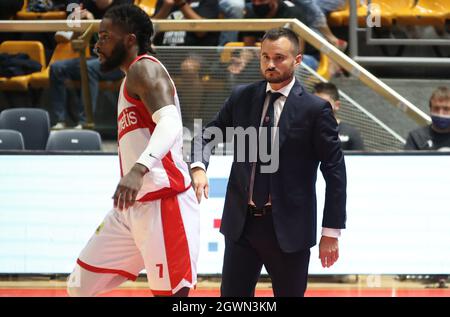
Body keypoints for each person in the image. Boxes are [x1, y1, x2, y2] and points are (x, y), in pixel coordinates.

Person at [191, 27, 347, 297]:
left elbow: (335, 172)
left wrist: (331, 231)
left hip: (289, 228)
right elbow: (206, 135)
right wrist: (198, 167)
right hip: (242, 225)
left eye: (279, 57)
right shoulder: (242, 97)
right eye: (265, 57)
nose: (271, 64)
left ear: (297, 60)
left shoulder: (315, 109)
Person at [66, 4, 200, 297]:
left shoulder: (145, 68)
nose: (97, 44)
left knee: (172, 297)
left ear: (129, 39)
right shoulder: (130, 78)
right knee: (78, 285)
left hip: (165, 203)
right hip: (130, 207)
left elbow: (171, 123)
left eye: (105, 36)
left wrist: (138, 169)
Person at [50, 0, 128, 129]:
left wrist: (93, 22)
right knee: (57, 68)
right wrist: (77, 24)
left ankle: (85, 122)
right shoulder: (87, 5)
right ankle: (60, 120)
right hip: (94, 59)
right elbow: (75, 41)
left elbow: (118, 43)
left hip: (116, 61)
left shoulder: (122, 7)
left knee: (88, 67)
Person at [314, 82, 365, 151]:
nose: (318, 106)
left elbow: (359, 160)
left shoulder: (350, 133)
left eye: (324, 103)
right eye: (314, 102)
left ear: (337, 105)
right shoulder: (304, 131)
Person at [405, 86, 450, 151]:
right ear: (430, 109)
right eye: (436, 108)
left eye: (446, 109)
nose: (440, 113)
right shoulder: (416, 137)